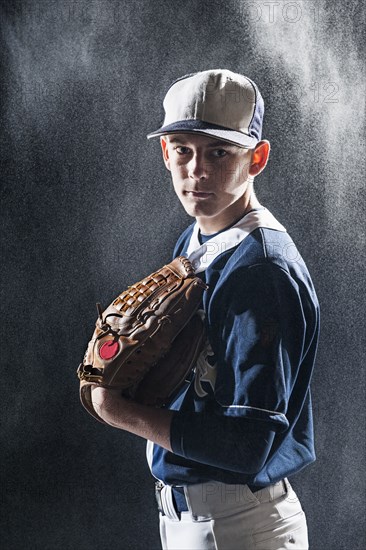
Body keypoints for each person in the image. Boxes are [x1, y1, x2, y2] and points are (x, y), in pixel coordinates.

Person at [90, 69, 320, 550]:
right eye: (183, 150)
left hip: (242, 525)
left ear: (256, 158)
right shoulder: (198, 240)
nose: (198, 171)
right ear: (165, 153)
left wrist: (120, 411)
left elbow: (248, 446)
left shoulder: (261, 271)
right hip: (195, 520)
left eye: (219, 152)